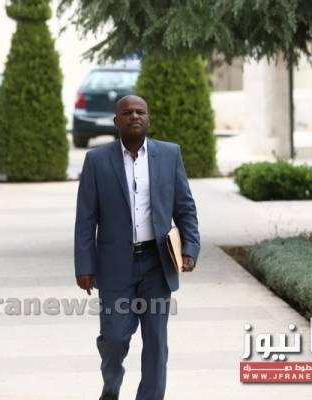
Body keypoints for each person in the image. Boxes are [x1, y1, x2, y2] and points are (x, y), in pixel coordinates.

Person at [74, 95, 200, 400]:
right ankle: (111, 385)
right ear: (116, 121)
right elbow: (85, 218)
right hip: (115, 266)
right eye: (127, 112)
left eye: (140, 111)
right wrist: (84, 265)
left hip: (157, 263)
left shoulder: (169, 155)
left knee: (156, 341)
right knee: (115, 338)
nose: (134, 116)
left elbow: (185, 207)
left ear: (148, 118)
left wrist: (190, 248)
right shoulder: (97, 160)